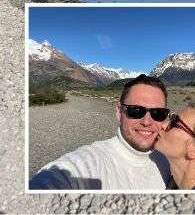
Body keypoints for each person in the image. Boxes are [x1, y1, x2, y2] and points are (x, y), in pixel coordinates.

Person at [29, 74, 171, 190]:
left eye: (158, 113)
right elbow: (56, 178)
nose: (146, 122)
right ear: (118, 112)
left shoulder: (171, 158)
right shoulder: (92, 162)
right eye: (136, 111)